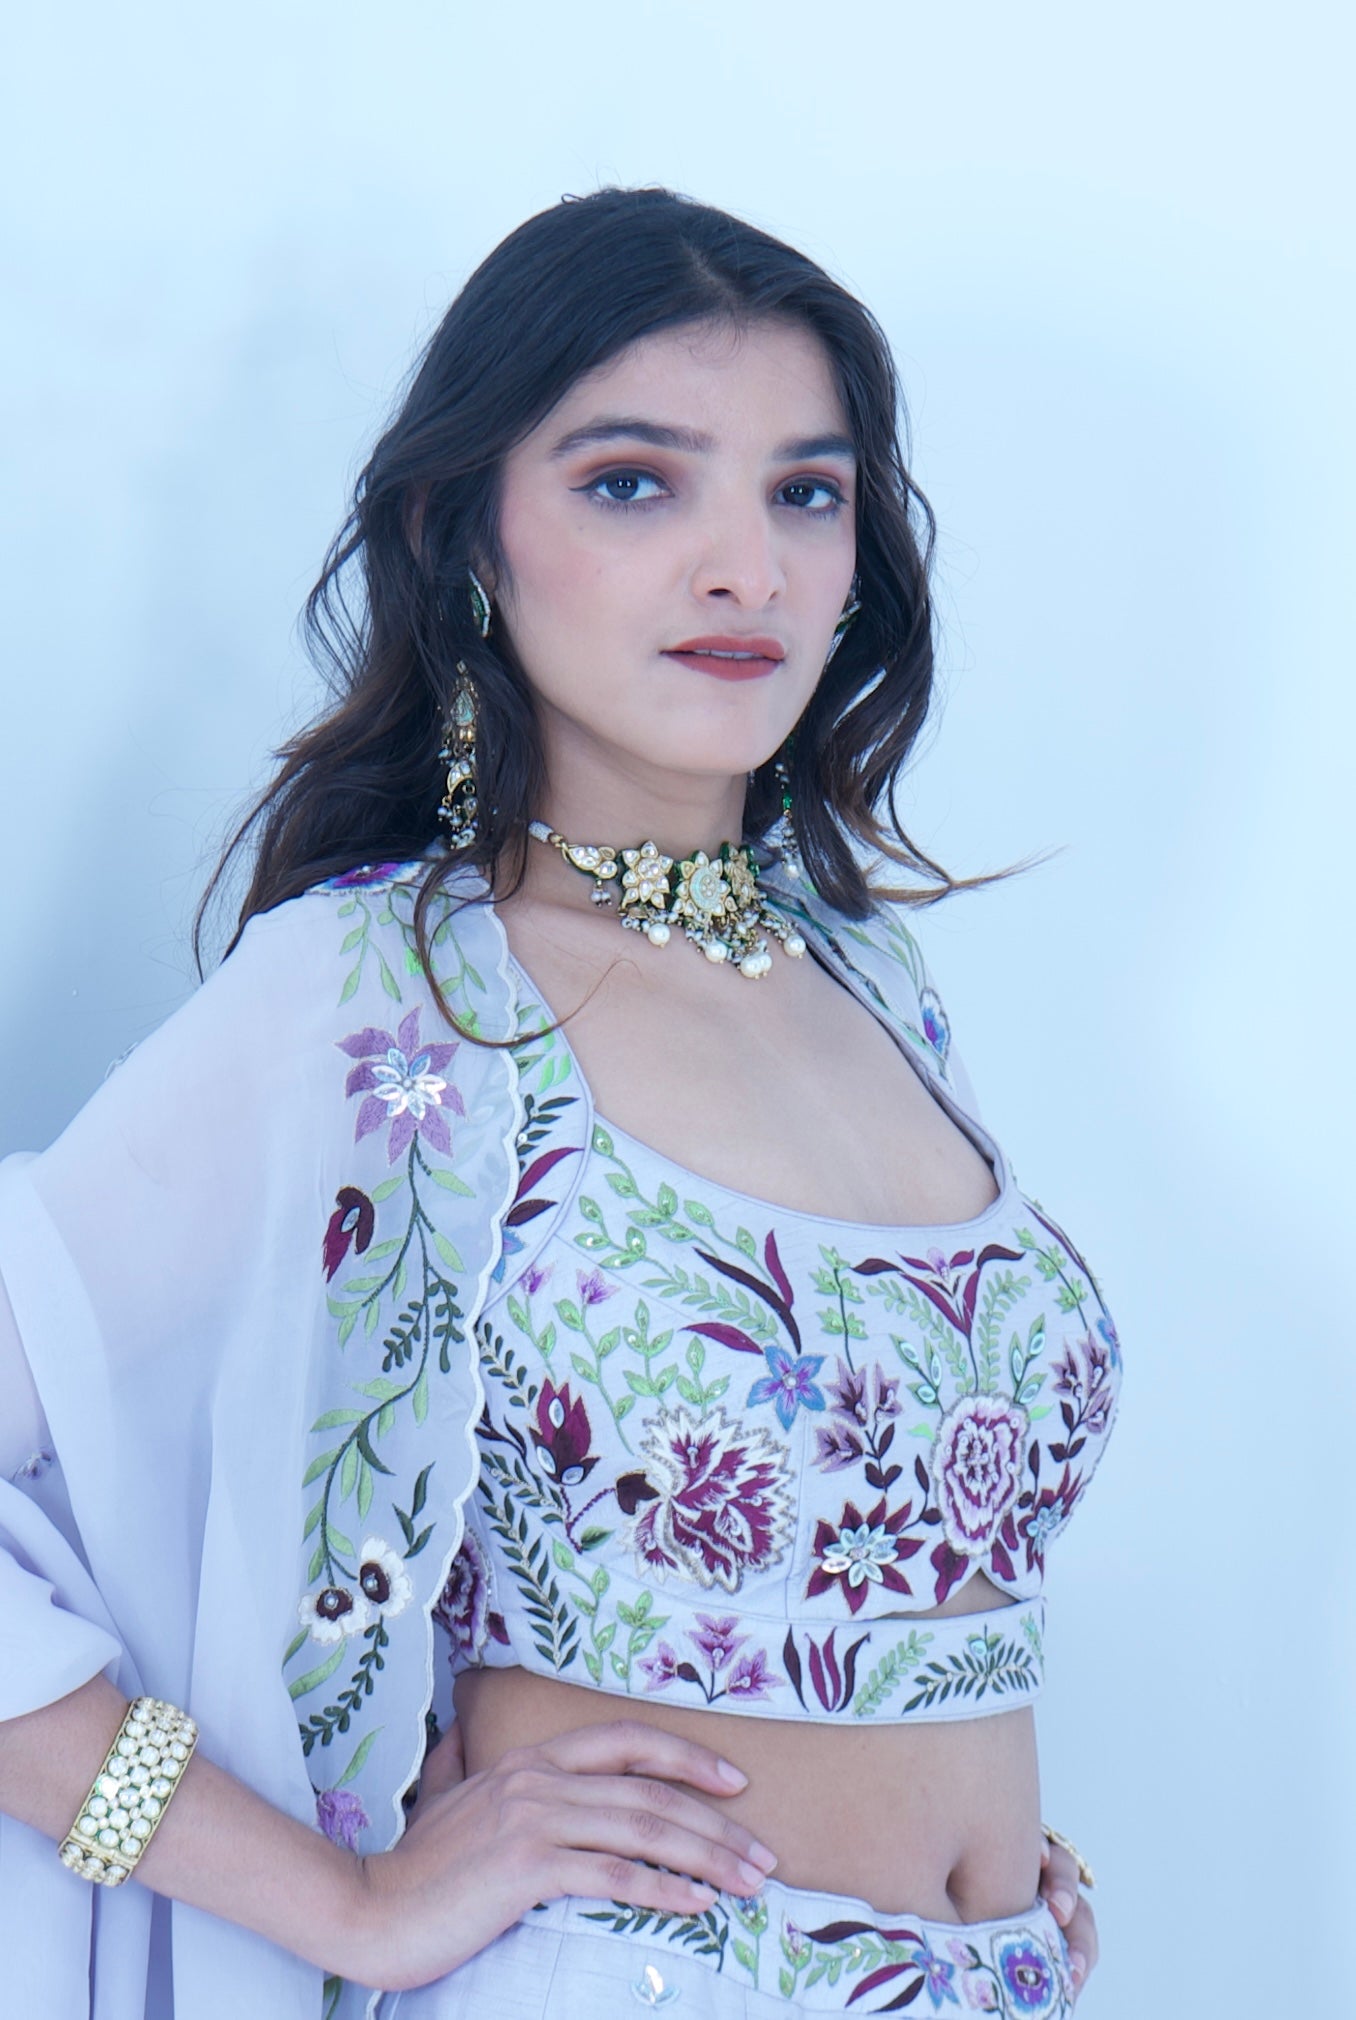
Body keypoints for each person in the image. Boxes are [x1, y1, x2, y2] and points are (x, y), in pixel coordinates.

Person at [0, 186, 1115, 2018]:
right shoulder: (386, 996)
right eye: (634, 482)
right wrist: (342, 1902)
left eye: (806, 491)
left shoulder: (870, 975)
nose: (745, 567)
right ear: (463, 537)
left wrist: (965, 1806)